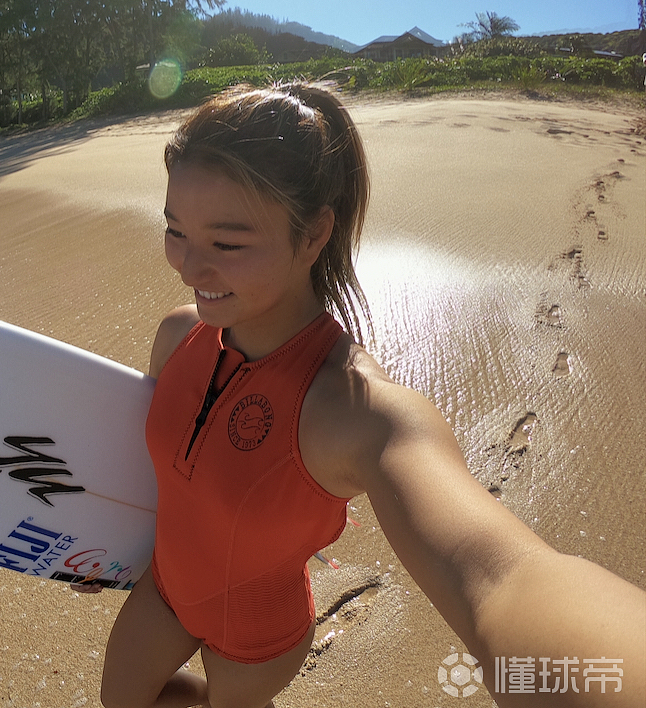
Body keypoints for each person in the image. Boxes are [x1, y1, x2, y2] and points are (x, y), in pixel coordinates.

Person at [91, 84, 644, 708]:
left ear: (313, 234)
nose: (190, 269)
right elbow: (161, 475)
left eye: (226, 244)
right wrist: (99, 547)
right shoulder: (179, 334)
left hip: (257, 633)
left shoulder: (354, 408)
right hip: (163, 585)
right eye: (176, 231)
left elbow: (500, 574)